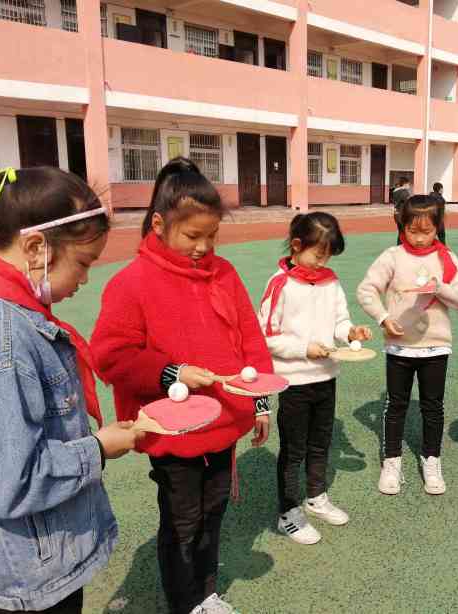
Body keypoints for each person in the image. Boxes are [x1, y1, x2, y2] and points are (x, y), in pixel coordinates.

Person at [0, 167, 142, 613]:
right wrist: (98, 449)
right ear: (35, 248)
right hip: (14, 585)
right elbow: (1, 482)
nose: (84, 279)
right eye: (83, 263)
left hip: (17, 571)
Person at [90, 158, 273, 614]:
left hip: (225, 421)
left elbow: (250, 339)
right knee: (182, 522)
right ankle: (185, 602)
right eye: (193, 236)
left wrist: (260, 401)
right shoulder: (132, 282)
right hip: (174, 432)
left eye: (212, 236)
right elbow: (110, 355)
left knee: (214, 512)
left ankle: (205, 594)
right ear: (158, 224)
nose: (203, 247)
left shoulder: (224, 273)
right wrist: (173, 372)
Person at [258, 212, 372, 545]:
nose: (322, 262)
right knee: (293, 450)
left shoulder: (330, 281)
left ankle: (316, 497)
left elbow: (339, 321)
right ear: (296, 245)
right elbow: (266, 336)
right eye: (318, 254)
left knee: (320, 443)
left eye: (328, 256)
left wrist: (350, 332)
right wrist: (304, 349)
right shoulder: (280, 283)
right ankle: (288, 513)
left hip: (326, 376)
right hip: (294, 382)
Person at [357, 195, 458, 496]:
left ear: (438, 227)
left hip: (436, 347)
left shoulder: (446, 258)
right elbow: (366, 290)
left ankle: (431, 459)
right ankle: (392, 461)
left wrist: (440, 287)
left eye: (427, 231)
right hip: (399, 347)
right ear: (402, 226)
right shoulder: (392, 256)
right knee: (396, 405)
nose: (419, 238)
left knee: (432, 406)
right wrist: (383, 318)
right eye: (412, 230)